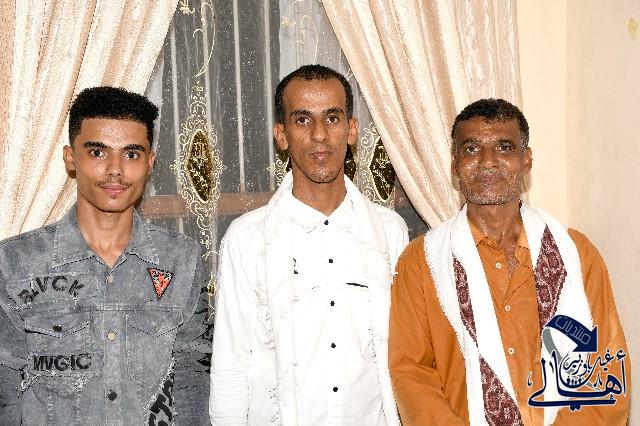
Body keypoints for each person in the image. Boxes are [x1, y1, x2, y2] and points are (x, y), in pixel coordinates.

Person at [389, 98, 630, 425]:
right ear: (455, 164)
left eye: (504, 147)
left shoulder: (577, 254)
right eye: (472, 149)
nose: (488, 161)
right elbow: (412, 374)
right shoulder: (421, 263)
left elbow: (607, 365)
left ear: (526, 159)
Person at [209, 64, 409, 425]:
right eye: (302, 120)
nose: (319, 135)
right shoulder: (247, 238)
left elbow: (404, 357)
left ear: (352, 130)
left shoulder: (389, 231)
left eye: (332, 118)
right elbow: (231, 367)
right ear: (281, 135)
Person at [0, 87, 212, 425]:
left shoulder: (180, 259)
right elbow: (4, 381)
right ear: (71, 158)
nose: (115, 170)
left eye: (131, 154)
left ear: (150, 162)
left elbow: (194, 373)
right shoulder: (15, 262)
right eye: (98, 152)